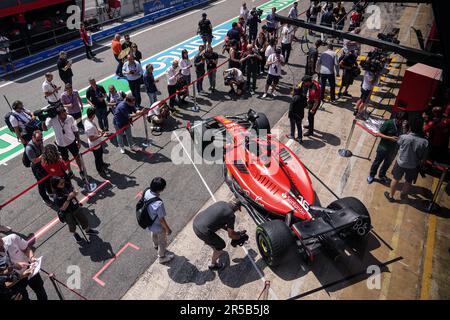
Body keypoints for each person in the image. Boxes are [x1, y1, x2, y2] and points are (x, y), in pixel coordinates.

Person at [384, 117, 428, 202]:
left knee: (395, 179)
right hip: (413, 166)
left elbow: (399, 143)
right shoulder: (425, 142)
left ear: (410, 127)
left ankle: (391, 196)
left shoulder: (404, 137)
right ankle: (403, 196)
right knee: (408, 181)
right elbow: (424, 158)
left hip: (400, 163)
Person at [192, 199, 245, 271]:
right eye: (237, 210)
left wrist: (232, 232)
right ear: (236, 208)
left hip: (196, 222)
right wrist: (239, 236)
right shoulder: (231, 215)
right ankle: (213, 265)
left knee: (212, 237)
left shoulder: (221, 203)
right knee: (221, 246)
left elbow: (219, 222)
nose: (236, 211)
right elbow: (231, 235)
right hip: (202, 231)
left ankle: (209, 242)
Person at [51, 176, 98, 243]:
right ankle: (75, 234)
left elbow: (74, 191)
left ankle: (88, 230)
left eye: (63, 181)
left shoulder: (66, 186)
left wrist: (75, 192)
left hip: (75, 207)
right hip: (68, 212)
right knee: (72, 225)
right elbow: (63, 208)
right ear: (56, 185)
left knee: (83, 219)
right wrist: (68, 199)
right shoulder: (57, 197)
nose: (63, 184)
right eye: (61, 183)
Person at [0, 235, 47, 300]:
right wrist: (16, 269)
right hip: (14, 281)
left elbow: (26, 249)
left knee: (40, 290)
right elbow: (3, 279)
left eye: (0, 240)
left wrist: (31, 257)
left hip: (29, 270)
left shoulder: (13, 238)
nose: (1, 246)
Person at [42, 106, 84, 177]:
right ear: (58, 115)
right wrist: (43, 121)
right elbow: (45, 129)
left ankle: (81, 170)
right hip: (60, 144)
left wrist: (79, 141)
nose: (65, 116)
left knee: (76, 157)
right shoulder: (53, 119)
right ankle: (70, 171)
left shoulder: (70, 118)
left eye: (65, 113)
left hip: (71, 141)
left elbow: (75, 130)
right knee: (65, 159)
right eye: (63, 115)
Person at [367, 112, 406, 184]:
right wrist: (390, 138)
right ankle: (371, 175)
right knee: (377, 162)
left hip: (393, 150)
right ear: (396, 118)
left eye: (402, 121)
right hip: (383, 148)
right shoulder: (388, 123)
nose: (400, 122)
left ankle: (382, 175)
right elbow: (378, 133)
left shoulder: (403, 126)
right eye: (399, 120)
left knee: (387, 164)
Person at [144, 177, 174, 264]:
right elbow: (161, 220)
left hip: (149, 221)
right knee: (162, 242)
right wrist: (168, 229)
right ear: (160, 190)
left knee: (153, 234)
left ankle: (155, 244)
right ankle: (161, 257)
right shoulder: (158, 203)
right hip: (157, 225)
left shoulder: (147, 191)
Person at [25, 130, 52, 206]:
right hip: (36, 167)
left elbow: (42, 149)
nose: (40, 141)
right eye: (38, 140)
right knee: (41, 183)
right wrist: (43, 155)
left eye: (41, 139)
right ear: (33, 138)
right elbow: (34, 161)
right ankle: (45, 198)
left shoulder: (39, 141)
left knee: (48, 177)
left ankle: (50, 191)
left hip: (43, 163)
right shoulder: (29, 148)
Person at [84, 107, 108, 176]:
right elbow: (91, 138)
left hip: (97, 142)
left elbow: (96, 127)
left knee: (100, 154)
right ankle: (100, 170)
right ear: (93, 115)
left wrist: (101, 130)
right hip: (95, 144)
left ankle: (102, 164)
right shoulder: (89, 126)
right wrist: (100, 135)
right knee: (97, 157)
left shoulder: (89, 120)